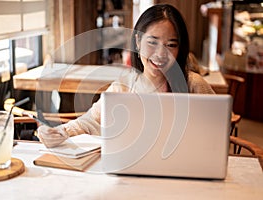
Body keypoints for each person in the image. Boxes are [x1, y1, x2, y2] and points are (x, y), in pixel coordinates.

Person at [37, 4, 215, 148]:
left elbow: (219, 127)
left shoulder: (194, 85)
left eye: (171, 44)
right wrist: (60, 132)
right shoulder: (122, 87)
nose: (161, 54)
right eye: (152, 42)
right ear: (137, 42)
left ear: (180, 49)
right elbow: (89, 122)